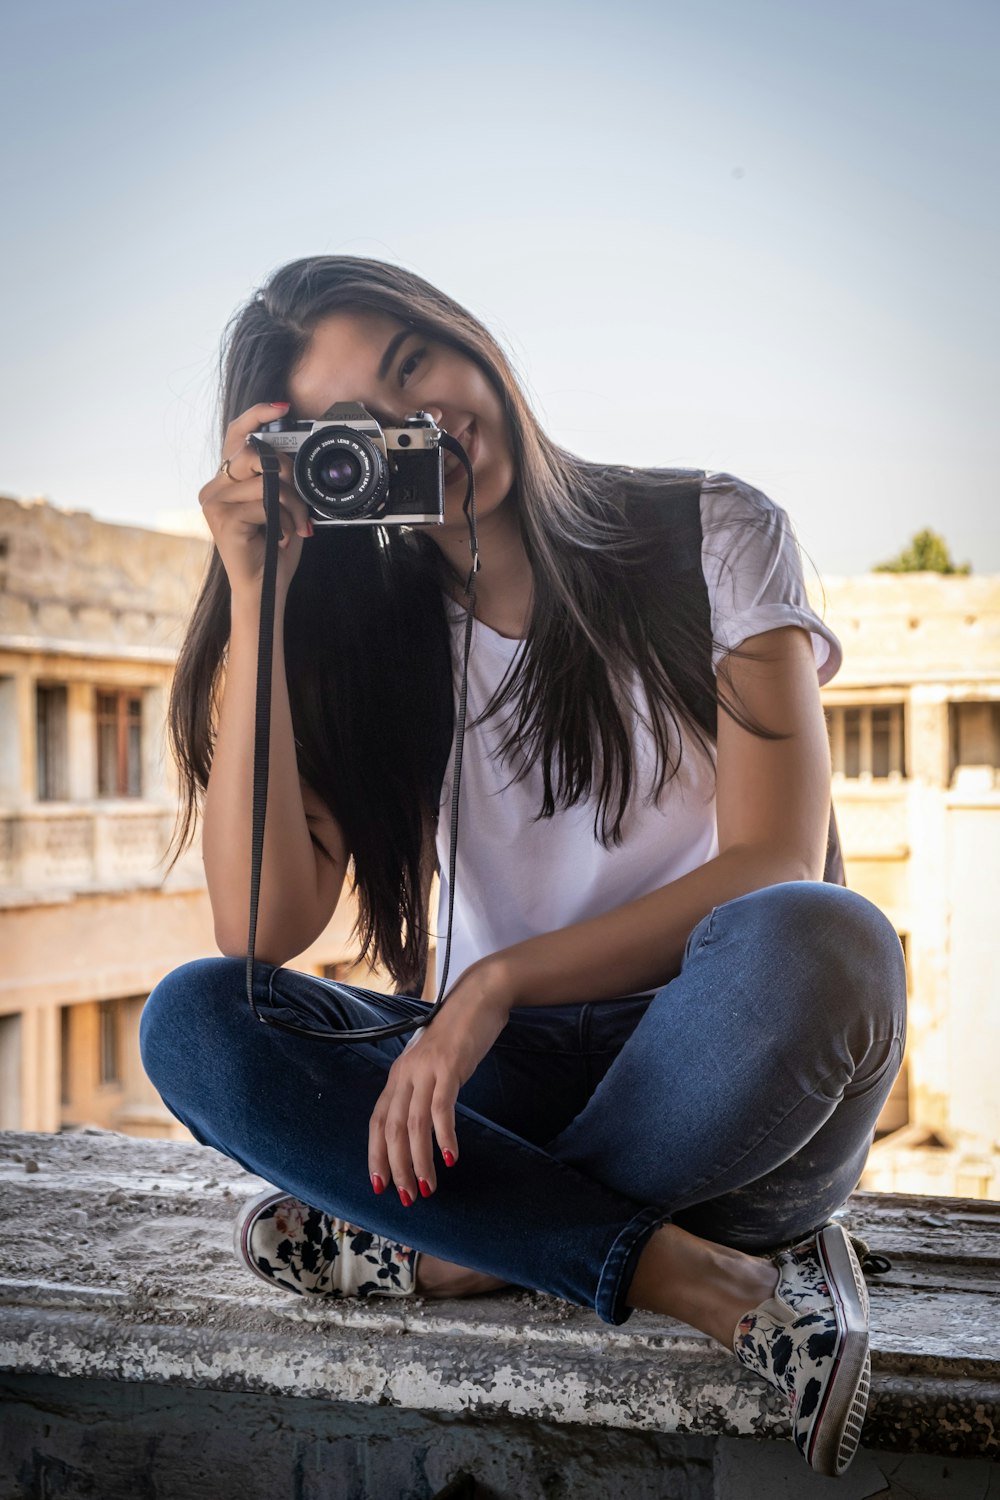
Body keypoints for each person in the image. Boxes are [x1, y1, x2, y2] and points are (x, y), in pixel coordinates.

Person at [140, 256, 907, 1478]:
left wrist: (489, 989)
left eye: (414, 366)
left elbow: (770, 860)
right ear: (313, 468)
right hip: (504, 1092)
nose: (420, 420)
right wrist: (256, 589)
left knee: (829, 940)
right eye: (358, 429)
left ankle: (451, 1249)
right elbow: (260, 926)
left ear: (469, 341)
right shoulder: (370, 632)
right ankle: (663, 1262)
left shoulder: (713, 530)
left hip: (723, 1069)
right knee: (193, 1020)